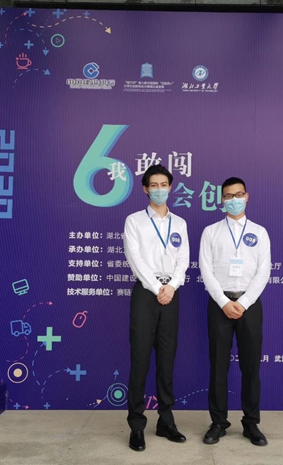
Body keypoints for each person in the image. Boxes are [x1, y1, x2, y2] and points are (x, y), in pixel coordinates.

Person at [199, 177, 271, 446]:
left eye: (239, 195)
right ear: (222, 200)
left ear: (247, 196)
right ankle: (218, 422)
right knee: (218, 365)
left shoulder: (260, 232)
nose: (234, 200)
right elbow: (206, 270)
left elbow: (264, 271)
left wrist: (244, 302)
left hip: (249, 305)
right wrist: (223, 302)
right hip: (220, 304)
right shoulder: (211, 232)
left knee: (250, 366)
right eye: (229, 196)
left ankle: (251, 423)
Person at [123, 164, 189, 451]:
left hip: (171, 294)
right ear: (145, 189)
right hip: (146, 293)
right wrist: (156, 287)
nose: (159, 189)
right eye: (154, 185)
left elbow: (183, 259)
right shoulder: (134, 221)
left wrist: (171, 286)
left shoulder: (180, 223)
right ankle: (137, 425)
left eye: (164, 185)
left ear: (170, 187)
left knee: (166, 358)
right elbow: (134, 257)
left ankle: (166, 421)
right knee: (140, 359)